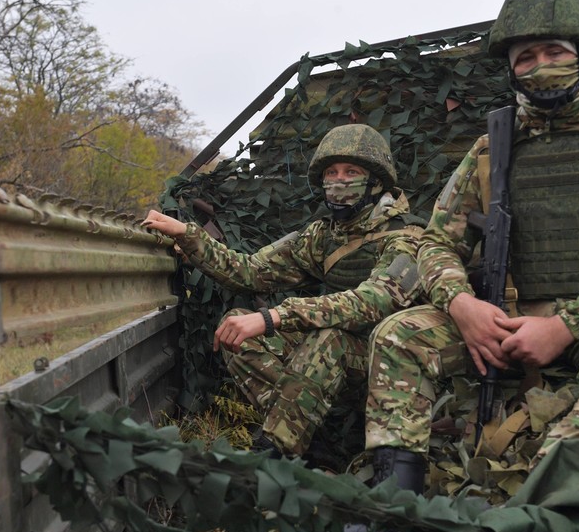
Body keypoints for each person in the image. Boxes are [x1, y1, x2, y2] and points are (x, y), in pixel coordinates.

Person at [362, 0, 579, 496]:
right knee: (398, 334)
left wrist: (564, 325)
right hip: (505, 318)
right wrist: (462, 305)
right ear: (510, 68)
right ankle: (394, 504)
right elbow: (434, 242)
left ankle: (544, 507)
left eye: (554, 51)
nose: (540, 65)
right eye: (525, 57)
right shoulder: (492, 146)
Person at [142, 123, 426, 460]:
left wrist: (277, 315)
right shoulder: (323, 235)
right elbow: (252, 272)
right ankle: (315, 447)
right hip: (336, 363)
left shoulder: (405, 236)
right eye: (331, 173)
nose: (339, 181)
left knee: (328, 339)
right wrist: (187, 235)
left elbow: (373, 301)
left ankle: (273, 454)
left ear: (377, 181)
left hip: (392, 366)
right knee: (238, 326)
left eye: (351, 172)